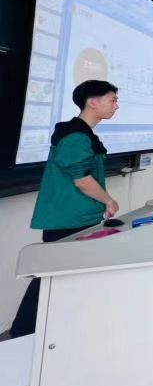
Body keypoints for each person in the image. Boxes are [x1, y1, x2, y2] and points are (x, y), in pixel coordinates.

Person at [9, 80, 120, 338]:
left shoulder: (83, 134)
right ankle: (23, 333)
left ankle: (56, 331)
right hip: (67, 219)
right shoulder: (75, 137)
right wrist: (108, 201)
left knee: (64, 278)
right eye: (112, 100)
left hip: (79, 217)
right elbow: (81, 180)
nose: (116, 106)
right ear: (92, 102)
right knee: (49, 278)